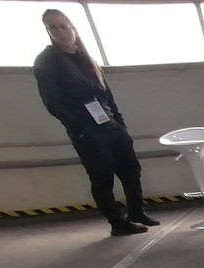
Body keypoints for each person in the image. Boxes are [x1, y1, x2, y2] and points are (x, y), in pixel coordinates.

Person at [34, 9, 157, 236]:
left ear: (73, 28)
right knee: (102, 178)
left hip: (110, 125)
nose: (60, 32)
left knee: (130, 170)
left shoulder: (85, 58)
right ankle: (117, 223)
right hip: (87, 131)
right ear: (47, 31)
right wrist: (81, 129)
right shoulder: (47, 62)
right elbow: (53, 103)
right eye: (53, 27)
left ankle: (136, 211)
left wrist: (120, 124)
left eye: (64, 26)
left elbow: (106, 95)